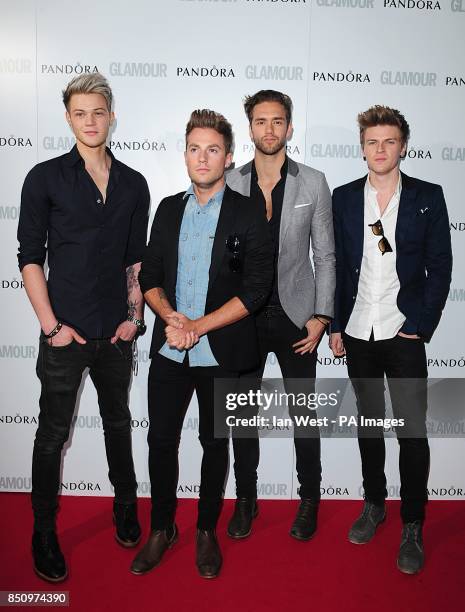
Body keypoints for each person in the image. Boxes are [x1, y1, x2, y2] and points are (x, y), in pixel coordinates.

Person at [17, 73, 150, 582]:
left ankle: (123, 507)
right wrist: (52, 327)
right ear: (68, 117)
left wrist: (134, 320)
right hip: (65, 335)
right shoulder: (45, 178)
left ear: (112, 116)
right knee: (51, 435)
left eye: (99, 112)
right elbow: (30, 259)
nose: (91, 121)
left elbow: (135, 262)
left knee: (118, 425)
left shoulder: (134, 184)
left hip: (115, 336)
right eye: (80, 113)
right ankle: (43, 532)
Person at [132, 109, 273, 579]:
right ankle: (162, 528)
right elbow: (150, 277)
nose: (202, 157)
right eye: (194, 148)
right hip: (171, 349)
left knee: (215, 443)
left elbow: (255, 291)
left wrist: (200, 326)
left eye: (212, 149)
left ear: (228, 158)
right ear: (185, 154)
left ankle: (206, 530)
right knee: (160, 441)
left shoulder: (249, 211)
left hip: (222, 353)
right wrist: (172, 317)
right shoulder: (168, 209)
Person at [330, 105, 452, 574]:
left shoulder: (428, 196)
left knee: (411, 431)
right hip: (359, 329)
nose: (380, 150)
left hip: (404, 331)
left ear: (403, 145)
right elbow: (338, 266)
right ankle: (375, 504)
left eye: (389, 141)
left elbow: (440, 266)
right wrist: (336, 323)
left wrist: (421, 322)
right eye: (371, 141)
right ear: (362, 147)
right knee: (368, 424)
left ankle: (413, 523)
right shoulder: (343, 198)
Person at [226, 90, 335, 541]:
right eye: (261, 121)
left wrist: (321, 317)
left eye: (278, 122)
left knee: (303, 416)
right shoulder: (231, 182)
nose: (269, 130)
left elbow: (325, 256)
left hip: (296, 317)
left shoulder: (313, 181)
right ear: (249, 128)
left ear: (290, 128)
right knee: (242, 415)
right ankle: (246, 499)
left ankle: (309, 498)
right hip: (244, 319)